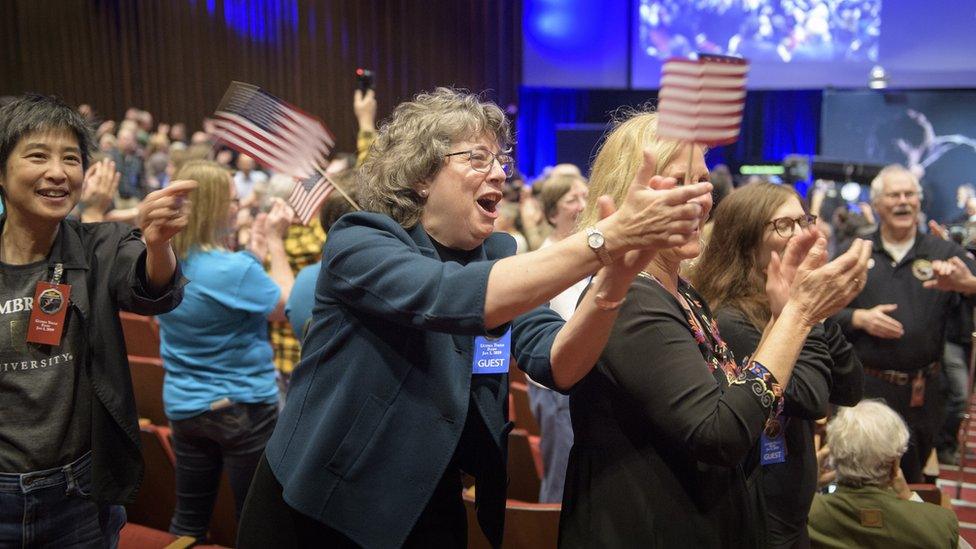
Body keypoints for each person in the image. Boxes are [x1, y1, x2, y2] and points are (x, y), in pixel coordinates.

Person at [237, 88, 714, 548]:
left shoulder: (498, 255)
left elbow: (559, 365)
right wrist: (603, 239)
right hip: (324, 504)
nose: (499, 173)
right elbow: (444, 295)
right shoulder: (361, 240)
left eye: (501, 160)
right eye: (477, 158)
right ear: (422, 175)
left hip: (430, 502)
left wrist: (613, 283)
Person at [558, 110, 872, 548]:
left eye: (702, 181)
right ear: (630, 192)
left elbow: (737, 390)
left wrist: (786, 314)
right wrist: (799, 316)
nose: (701, 197)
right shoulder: (631, 297)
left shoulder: (680, 290)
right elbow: (719, 433)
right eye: (679, 181)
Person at [0, 94, 192, 547]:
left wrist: (159, 243)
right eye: (37, 156)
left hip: (77, 495)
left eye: (71, 158)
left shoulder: (98, 244)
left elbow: (150, 286)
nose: (58, 172)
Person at [694, 182, 864, 549]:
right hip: (760, 506)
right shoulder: (730, 318)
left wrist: (812, 312)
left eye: (804, 221)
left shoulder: (791, 306)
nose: (802, 234)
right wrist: (805, 315)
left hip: (790, 506)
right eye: (784, 225)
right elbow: (810, 398)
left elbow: (850, 389)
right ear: (746, 239)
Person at [157, 160, 293, 542]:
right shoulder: (232, 270)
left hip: (186, 406)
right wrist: (276, 246)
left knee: (188, 520)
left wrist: (253, 252)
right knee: (256, 519)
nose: (240, 206)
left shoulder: (160, 261)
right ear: (214, 207)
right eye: (233, 200)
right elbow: (287, 307)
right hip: (242, 408)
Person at [832, 164, 976, 483]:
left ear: (919, 201)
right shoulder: (855, 251)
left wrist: (967, 285)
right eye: (894, 195)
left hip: (921, 395)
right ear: (878, 204)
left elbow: (973, 288)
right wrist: (858, 318)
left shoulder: (945, 252)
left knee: (910, 478)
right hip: (863, 389)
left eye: (910, 194)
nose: (903, 201)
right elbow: (820, 312)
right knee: (857, 478)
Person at [807, 400, 962, 549]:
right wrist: (910, 497)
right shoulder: (941, 525)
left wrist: (810, 482)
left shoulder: (804, 516)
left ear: (832, 456)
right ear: (894, 465)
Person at [527, 172, 589, 503]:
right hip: (556, 391)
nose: (582, 206)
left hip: (579, 386)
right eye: (572, 200)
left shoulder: (586, 254)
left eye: (585, 197)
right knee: (561, 481)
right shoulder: (545, 260)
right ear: (552, 213)